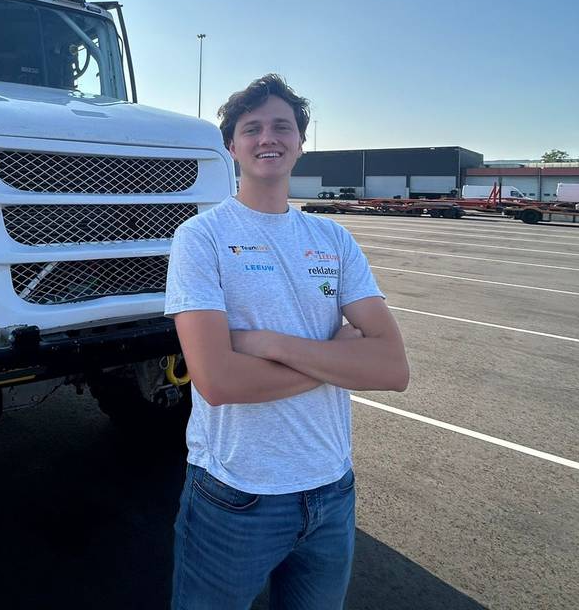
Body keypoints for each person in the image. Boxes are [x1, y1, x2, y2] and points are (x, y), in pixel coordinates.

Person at [165, 74, 410, 610]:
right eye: (251, 128)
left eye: (282, 126)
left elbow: (392, 367)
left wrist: (266, 342)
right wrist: (341, 357)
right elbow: (219, 381)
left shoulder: (332, 238)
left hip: (331, 489)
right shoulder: (200, 238)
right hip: (236, 495)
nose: (266, 137)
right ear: (231, 146)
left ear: (301, 140)